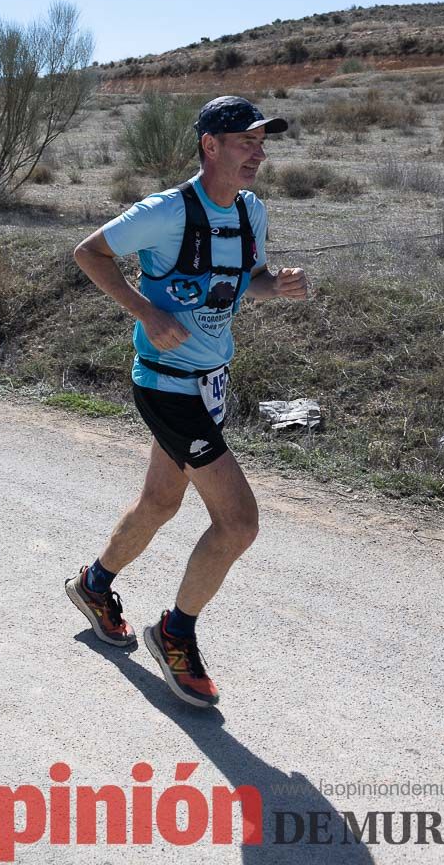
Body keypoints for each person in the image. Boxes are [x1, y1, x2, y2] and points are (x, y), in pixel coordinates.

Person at [66, 95, 308, 707]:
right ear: (211, 145)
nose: (258, 152)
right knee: (239, 521)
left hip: (211, 381)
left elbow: (242, 280)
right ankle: (175, 634)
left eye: (262, 142)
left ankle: (95, 586)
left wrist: (271, 287)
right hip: (166, 386)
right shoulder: (166, 211)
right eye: (245, 141)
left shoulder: (252, 212)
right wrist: (146, 312)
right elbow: (88, 252)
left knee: (157, 503)